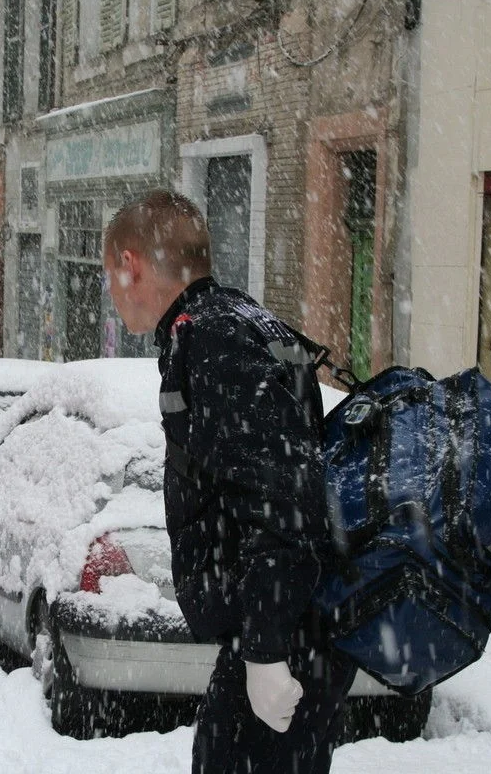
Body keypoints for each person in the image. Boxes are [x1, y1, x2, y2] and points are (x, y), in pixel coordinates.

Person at [103, 191, 354, 773]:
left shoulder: (213, 341)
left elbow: (282, 496)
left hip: (283, 641)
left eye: (109, 275)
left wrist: (266, 654)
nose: (112, 292)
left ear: (130, 266)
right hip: (285, 632)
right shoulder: (235, 320)